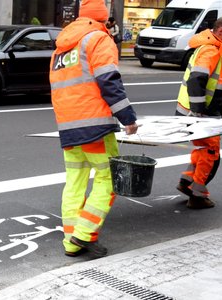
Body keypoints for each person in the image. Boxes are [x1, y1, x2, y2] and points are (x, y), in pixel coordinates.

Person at [49, 0, 139, 258]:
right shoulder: (98, 39)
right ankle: (85, 234)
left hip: (67, 126)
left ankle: (70, 242)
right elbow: (109, 79)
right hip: (95, 126)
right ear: (103, 18)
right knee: (109, 180)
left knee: (74, 182)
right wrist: (128, 118)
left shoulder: (61, 48)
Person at [174, 16, 222, 209]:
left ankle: (186, 182)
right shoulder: (210, 50)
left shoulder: (214, 48)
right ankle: (197, 195)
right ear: (221, 30)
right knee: (211, 155)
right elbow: (196, 79)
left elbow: (218, 82)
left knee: (202, 150)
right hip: (201, 114)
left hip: (195, 112)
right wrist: (198, 114)